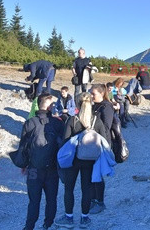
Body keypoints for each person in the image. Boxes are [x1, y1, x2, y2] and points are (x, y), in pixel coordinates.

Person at [55, 92, 107, 229]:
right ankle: (85, 218)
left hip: (73, 160)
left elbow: (65, 141)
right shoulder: (97, 120)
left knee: (69, 189)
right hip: (90, 160)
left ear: (77, 104)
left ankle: (69, 217)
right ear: (91, 103)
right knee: (87, 189)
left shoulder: (72, 120)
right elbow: (105, 140)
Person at [20, 94, 64, 230]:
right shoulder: (58, 123)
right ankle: (48, 225)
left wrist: (23, 164)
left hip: (33, 169)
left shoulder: (29, 123)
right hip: (52, 169)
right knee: (51, 200)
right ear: (50, 107)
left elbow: (23, 147)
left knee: (34, 201)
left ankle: (29, 227)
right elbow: (62, 146)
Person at [90, 84, 114, 214]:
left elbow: (106, 128)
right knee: (91, 173)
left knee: (97, 174)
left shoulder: (106, 107)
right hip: (91, 143)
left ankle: (100, 202)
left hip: (101, 144)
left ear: (101, 93)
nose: (91, 96)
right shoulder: (94, 106)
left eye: (93, 93)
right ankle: (93, 199)